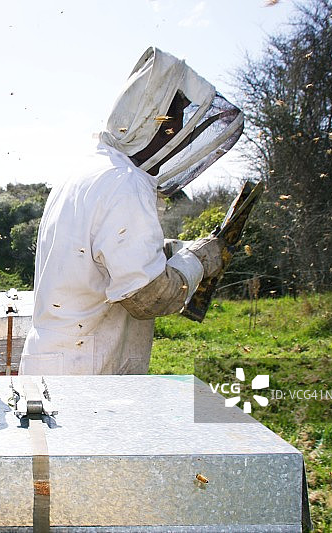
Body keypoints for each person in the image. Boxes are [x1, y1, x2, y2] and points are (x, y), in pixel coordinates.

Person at [19, 46, 243, 375]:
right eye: (176, 122)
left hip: (55, 361)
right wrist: (199, 260)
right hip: (86, 375)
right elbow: (148, 297)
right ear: (153, 122)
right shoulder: (126, 182)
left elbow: (95, 253)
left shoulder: (90, 167)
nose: (181, 134)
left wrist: (167, 251)